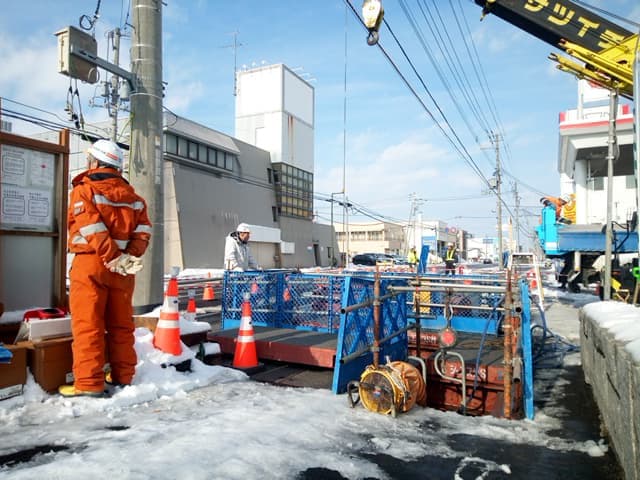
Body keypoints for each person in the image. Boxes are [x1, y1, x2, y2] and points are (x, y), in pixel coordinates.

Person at [60, 139, 152, 397]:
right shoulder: (135, 198)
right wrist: (127, 257)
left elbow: (92, 228)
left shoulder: (84, 190)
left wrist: (112, 257)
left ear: (95, 162)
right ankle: (123, 376)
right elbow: (143, 231)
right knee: (121, 325)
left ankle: (89, 384)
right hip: (122, 270)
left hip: (91, 264)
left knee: (88, 325)